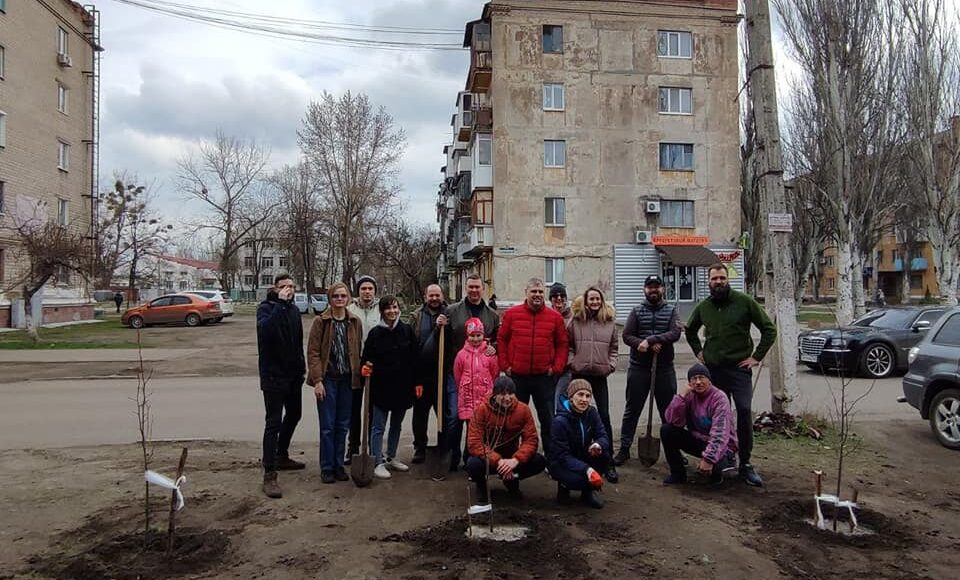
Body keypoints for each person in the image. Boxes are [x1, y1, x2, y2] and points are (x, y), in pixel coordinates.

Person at [685, 263, 776, 487]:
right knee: (718, 417)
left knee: (744, 412)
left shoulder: (744, 302)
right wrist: (699, 352)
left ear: (728, 280)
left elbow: (769, 329)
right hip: (714, 371)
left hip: (739, 370)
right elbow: (690, 329)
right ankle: (722, 457)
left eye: (722, 278)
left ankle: (745, 464)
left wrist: (756, 356)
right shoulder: (704, 307)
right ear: (709, 281)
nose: (718, 282)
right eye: (714, 278)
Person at [615, 274, 682, 466]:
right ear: (645, 289)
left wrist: (653, 340)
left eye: (657, 286)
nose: (654, 290)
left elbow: (675, 333)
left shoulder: (671, 311)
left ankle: (674, 452)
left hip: (664, 369)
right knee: (632, 410)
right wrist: (641, 344)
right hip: (639, 368)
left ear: (662, 289)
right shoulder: (637, 311)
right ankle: (624, 449)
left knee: (669, 412)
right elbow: (627, 335)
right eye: (650, 286)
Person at [498, 277, 568, 453]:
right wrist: (505, 365)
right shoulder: (512, 314)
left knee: (549, 420)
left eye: (540, 292)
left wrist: (557, 368)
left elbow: (562, 344)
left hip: (544, 378)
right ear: (526, 293)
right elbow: (502, 339)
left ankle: (552, 459)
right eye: (533, 291)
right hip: (517, 377)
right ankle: (512, 456)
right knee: (514, 419)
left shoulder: (555, 318)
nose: (537, 295)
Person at [307, 282, 363, 484]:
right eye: (335, 296)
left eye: (343, 296)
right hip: (328, 379)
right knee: (328, 426)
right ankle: (327, 467)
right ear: (330, 299)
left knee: (342, 425)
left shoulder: (354, 321)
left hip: (348, 380)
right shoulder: (321, 322)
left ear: (348, 298)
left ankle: (339, 465)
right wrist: (318, 381)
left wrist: (360, 375)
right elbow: (313, 353)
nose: (339, 299)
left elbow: (357, 349)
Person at [256, 274, 307, 498]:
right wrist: (281, 305)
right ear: (275, 289)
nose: (289, 289)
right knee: (273, 422)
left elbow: (297, 342)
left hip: (293, 374)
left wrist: (302, 368)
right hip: (273, 376)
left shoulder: (295, 310)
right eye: (284, 286)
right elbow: (265, 332)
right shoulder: (267, 309)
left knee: (295, 414)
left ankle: (281, 454)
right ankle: (269, 473)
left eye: (291, 286)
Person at [466, 376, 547, 506]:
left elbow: (531, 440)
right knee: (473, 464)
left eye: (511, 393)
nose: (507, 398)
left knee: (539, 461)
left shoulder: (523, 410)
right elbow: (474, 442)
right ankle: (481, 485)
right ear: (495, 394)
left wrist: (516, 460)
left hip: (512, 457)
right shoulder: (481, 410)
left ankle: (512, 480)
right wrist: (498, 461)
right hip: (489, 458)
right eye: (503, 394)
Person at [446, 273, 500, 468]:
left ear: (482, 289)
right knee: (454, 416)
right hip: (458, 372)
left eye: (477, 287)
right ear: (466, 289)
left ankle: (472, 455)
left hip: (482, 375)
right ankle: (452, 454)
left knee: (477, 418)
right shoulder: (452, 311)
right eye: (471, 287)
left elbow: (496, 340)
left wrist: (495, 348)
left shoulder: (492, 315)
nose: (474, 290)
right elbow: (443, 338)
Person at [360, 295, 417, 479]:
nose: (392, 311)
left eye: (395, 307)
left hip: (402, 387)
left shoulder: (406, 331)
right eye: (388, 308)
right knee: (378, 426)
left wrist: (417, 383)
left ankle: (391, 456)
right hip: (381, 388)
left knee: (396, 425)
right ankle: (377, 461)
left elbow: (415, 359)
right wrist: (366, 367)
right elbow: (366, 358)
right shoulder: (375, 334)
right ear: (382, 311)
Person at [566, 287, 620, 483]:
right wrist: (572, 362)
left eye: (598, 299)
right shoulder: (576, 320)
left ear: (602, 301)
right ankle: (575, 460)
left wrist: (610, 365)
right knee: (574, 415)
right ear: (586, 301)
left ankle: (608, 463)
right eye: (591, 299)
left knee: (603, 416)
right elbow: (568, 345)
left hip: (599, 375)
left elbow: (614, 348)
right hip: (579, 374)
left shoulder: (609, 323)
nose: (595, 302)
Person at [660, 364, 738, 485]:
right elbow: (673, 421)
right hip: (699, 440)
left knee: (716, 474)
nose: (698, 382)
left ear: (709, 380)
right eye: (694, 379)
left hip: (723, 447)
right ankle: (678, 474)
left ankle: (725, 465)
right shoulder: (690, 395)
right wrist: (680, 398)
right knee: (667, 430)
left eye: (701, 377)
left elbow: (720, 434)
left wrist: (709, 459)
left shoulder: (719, 398)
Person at [410, 284, 455, 467]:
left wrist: (447, 327)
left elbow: (454, 339)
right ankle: (420, 447)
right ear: (425, 296)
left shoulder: (449, 314)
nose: (434, 298)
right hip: (422, 374)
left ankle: (443, 447)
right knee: (420, 414)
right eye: (431, 295)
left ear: (442, 296)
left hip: (443, 373)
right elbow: (412, 345)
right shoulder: (417, 316)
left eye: (437, 295)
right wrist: (414, 376)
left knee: (444, 414)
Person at [548, 379, 609, 509]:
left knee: (604, 455)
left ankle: (588, 492)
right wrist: (587, 469)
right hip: (560, 462)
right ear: (571, 397)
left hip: (582, 454)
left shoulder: (592, 413)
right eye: (580, 394)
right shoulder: (559, 421)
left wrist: (597, 445)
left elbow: (603, 435)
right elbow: (563, 456)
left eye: (588, 396)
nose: (584, 399)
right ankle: (564, 486)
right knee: (578, 480)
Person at [346, 275, 381, 465]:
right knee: (354, 409)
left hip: (376, 366)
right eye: (363, 289)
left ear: (374, 291)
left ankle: (371, 448)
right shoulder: (350, 309)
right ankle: (353, 447)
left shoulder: (380, 310)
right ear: (358, 291)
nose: (367, 292)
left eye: (370, 288)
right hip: (355, 365)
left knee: (373, 410)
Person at [454, 317, 500, 460]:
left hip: (484, 401)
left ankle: (485, 457)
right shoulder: (461, 355)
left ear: (483, 335)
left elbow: (495, 373)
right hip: (468, 401)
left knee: (486, 430)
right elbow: (457, 374)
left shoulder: (489, 354)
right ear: (467, 336)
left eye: (478, 335)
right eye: (472, 336)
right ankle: (469, 457)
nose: (475, 339)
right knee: (471, 431)